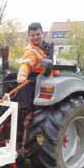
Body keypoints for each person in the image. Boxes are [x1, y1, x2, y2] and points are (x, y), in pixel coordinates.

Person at [15, 22, 53, 153]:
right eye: (32, 35)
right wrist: (22, 76)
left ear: (43, 33)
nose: (36, 37)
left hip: (45, 80)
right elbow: (25, 64)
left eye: (38, 34)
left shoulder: (44, 48)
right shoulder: (30, 50)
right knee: (29, 115)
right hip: (33, 85)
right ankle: (25, 145)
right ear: (28, 36)